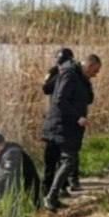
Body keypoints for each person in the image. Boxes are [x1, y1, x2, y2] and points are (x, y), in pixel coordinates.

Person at [41, 54, 101, 212]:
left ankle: (54, 197)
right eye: (95, 70)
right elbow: (60, 100)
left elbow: (88, 99)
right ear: (89, 66)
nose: (96, 74)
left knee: (66, 161)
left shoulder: (81, 77)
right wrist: (78, 117)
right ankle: (50, 197)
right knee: (69, 160)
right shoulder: (70, 74)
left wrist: (87, 82)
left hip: (68, 127)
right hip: (61, 125)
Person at [41, 47, 79, 193]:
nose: (61, 64)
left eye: (63, 61)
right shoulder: (54, 72)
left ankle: (70, 181)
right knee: (51, 156)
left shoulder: (74, 73)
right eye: (59, 61)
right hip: (55, 116)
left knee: (69, 154)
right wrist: (59, 73)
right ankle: (49, 187)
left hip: (69, 118)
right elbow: (45, 88)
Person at [0, 131, 42, 209]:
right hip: (16, 189)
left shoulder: (12, 154)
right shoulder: (1, 154)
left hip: (28, 192)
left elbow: (6, 177)